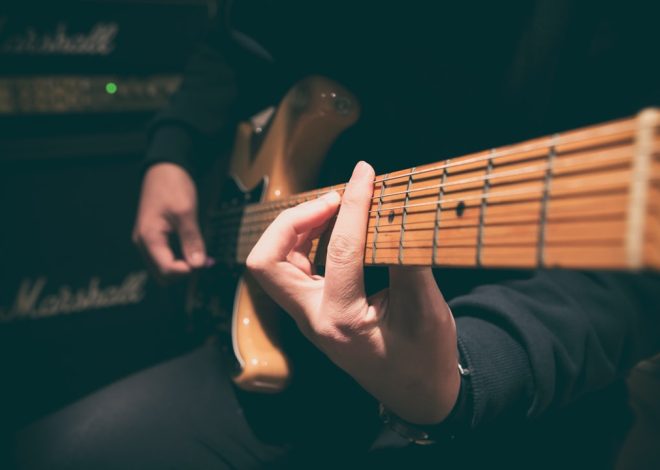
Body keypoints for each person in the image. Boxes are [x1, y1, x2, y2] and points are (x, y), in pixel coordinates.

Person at [12, 1, 660, 468]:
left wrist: (465, 373)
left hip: (509, 398)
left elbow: (633, 282)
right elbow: (239, 36)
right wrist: (175, 148)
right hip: (284, 367)